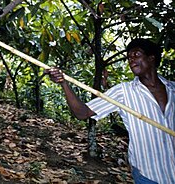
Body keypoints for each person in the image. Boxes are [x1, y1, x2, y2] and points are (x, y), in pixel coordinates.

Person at [45, 38, 174, 184]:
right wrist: (64, 83)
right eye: (129, 58)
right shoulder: (123, 92)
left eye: (136, 55)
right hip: (149, 175)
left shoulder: (173, 89)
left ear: (151, 58)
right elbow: (82, 113)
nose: (131, 60)